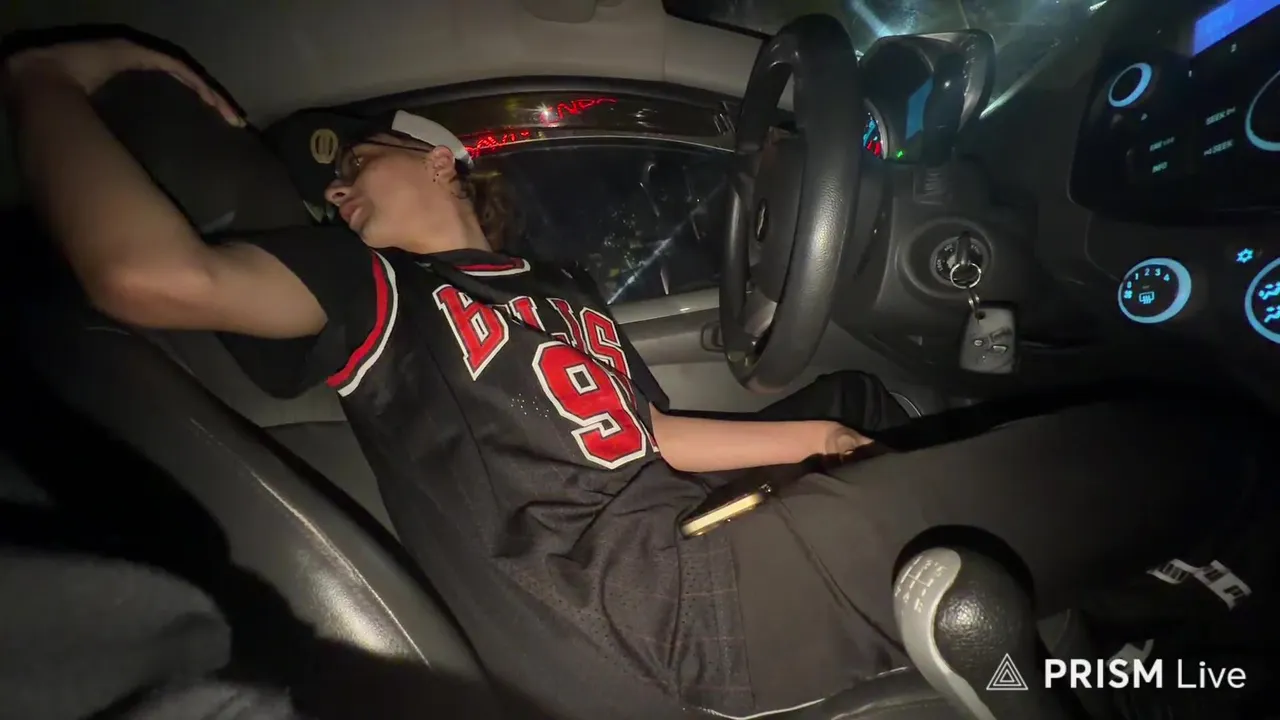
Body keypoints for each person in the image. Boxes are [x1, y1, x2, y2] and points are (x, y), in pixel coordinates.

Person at [5, 37, 1277, 720]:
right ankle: (1189, 649)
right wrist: (44, 79)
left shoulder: (546, 289)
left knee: (858, 409)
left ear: (443, 164)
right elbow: (146, 276)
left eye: (360, 163)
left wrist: (817, 446)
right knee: (1200, 450)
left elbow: (650, 433)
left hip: (672, 564)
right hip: (656, 613)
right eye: (330, 185)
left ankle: (1099, 641)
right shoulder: (369, 292)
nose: (338, 189)